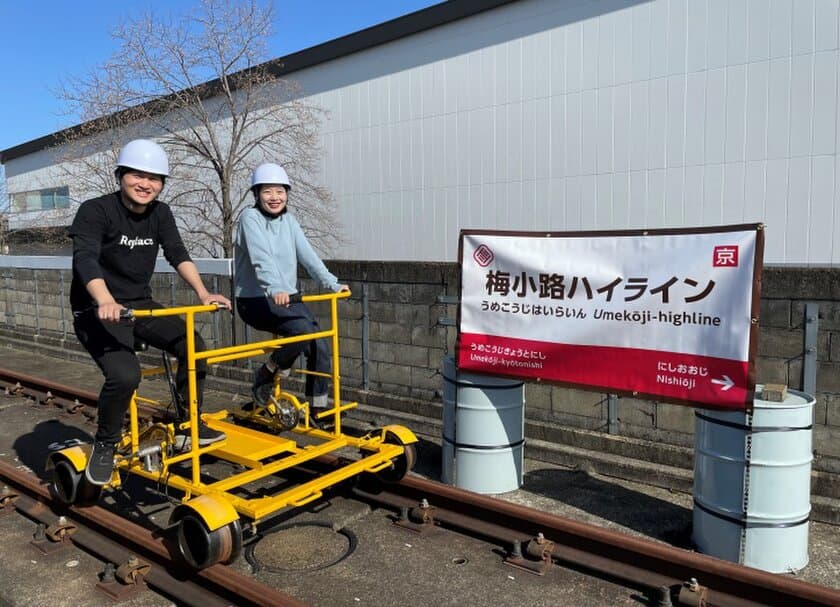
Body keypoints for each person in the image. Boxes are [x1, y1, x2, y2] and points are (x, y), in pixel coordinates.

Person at [69, 138, 231, 486]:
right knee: (126, 376)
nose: (145, 184)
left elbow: (177, 253)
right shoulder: (95, 210)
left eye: (154, 178)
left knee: (193, 344)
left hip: (138, 304)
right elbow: (85, 258)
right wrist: (104, 300)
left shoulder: (161, 213)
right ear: (120, 176)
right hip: (95, 309)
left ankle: (188, 424)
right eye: (137, 176)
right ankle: (106, 443)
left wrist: (203, 292)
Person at [234, 162, 348, 414]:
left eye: (280, 191)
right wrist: (275, 287)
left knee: (319, 343)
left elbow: (308, 257)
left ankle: (318, 409)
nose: (274, 197)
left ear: (287, 194)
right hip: (255, 300)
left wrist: (332, 284)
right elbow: (260, 257)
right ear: (256, 194)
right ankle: (267, 372)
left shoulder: (289, 221)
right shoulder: (249, 219)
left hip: (287, 299)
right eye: (267, 191)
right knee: (302, 330)